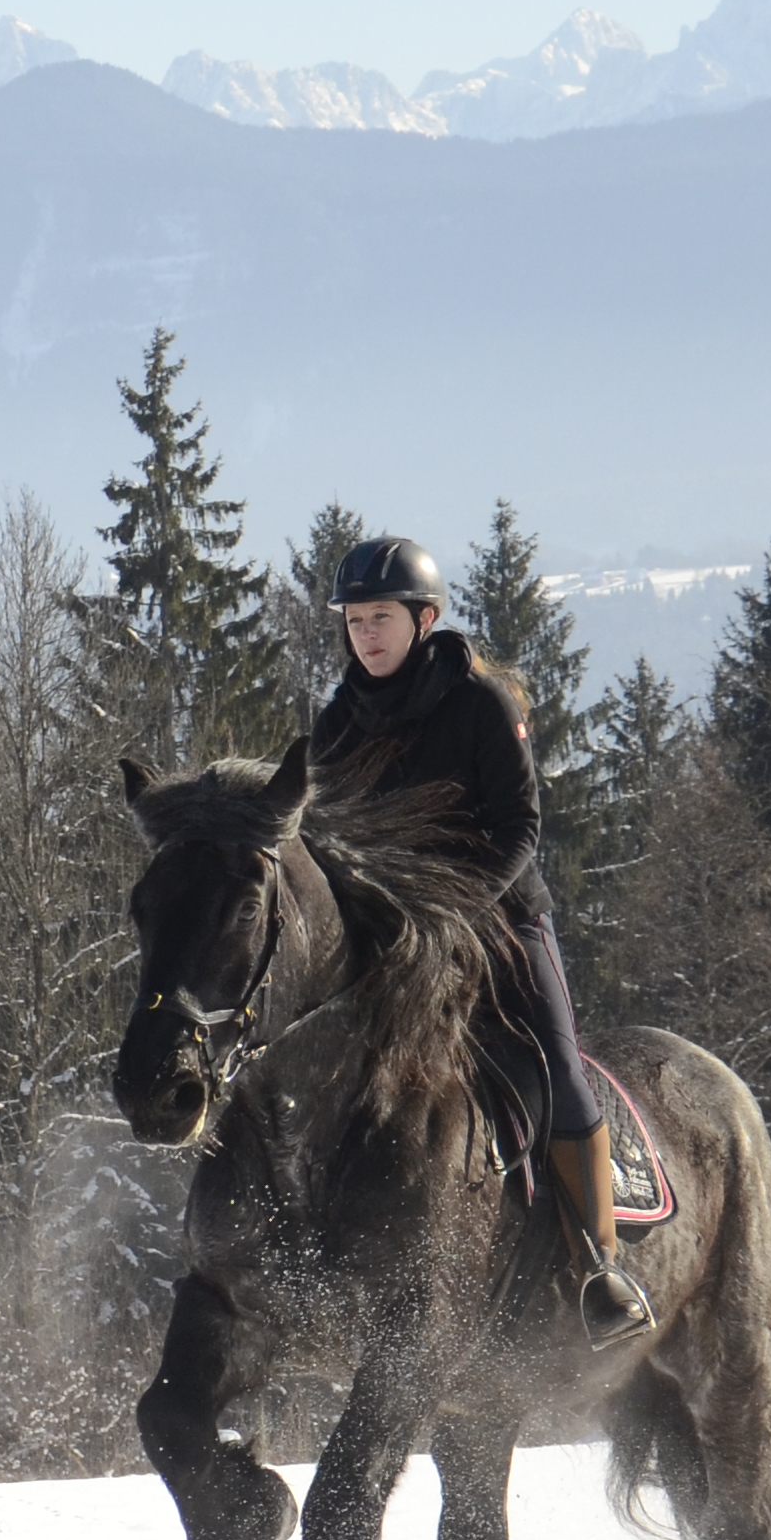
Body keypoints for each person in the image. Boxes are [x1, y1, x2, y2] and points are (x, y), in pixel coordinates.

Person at [305, 532, 651, 1339]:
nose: (366, 634)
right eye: (354, 621)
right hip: (388, 938)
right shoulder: (337, 722)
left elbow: (521, 826)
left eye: (381, 617)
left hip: (497, 919)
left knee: (559, 1066)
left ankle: (600, 1269)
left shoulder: (481, 704)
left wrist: (457, 907)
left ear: (425, 619)